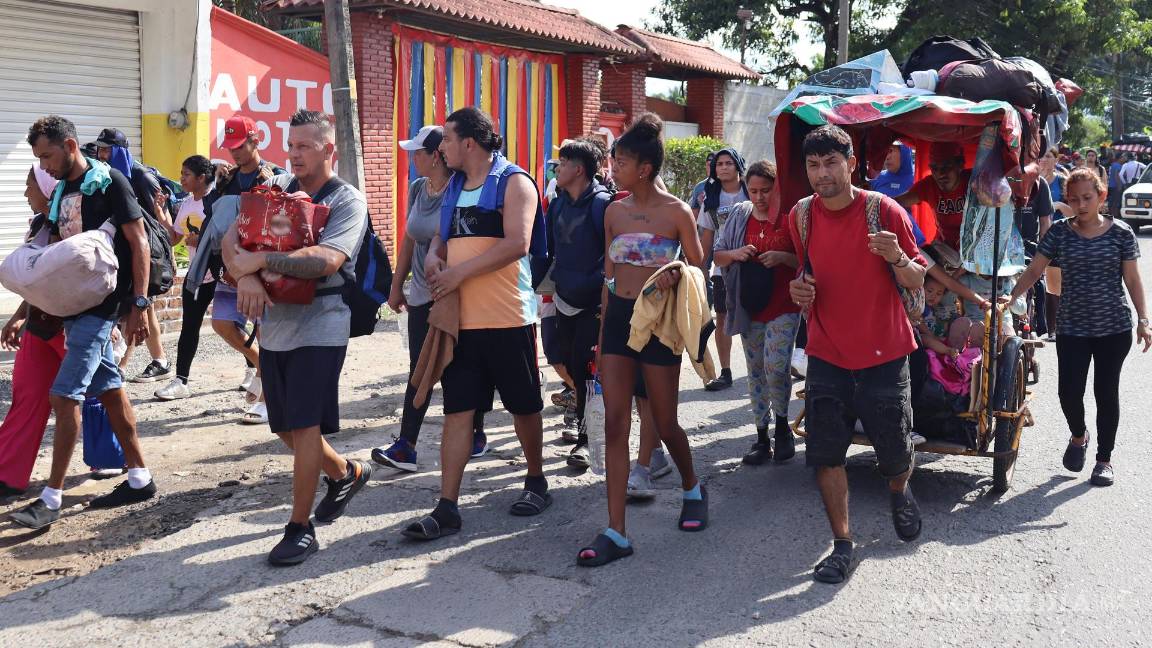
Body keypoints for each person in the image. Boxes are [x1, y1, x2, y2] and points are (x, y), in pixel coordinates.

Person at [223, 110, 373, 565]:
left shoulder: (348, 201)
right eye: (290, 146)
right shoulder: (279, 188)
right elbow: (231, 243)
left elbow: (326, 260)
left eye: (303, 146)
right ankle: (346, 472)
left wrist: (258, 261)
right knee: (285, 428)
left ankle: (299, 527)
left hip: (322, 323)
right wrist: (247, 279)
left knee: (305, 426)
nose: (293, 154)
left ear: (328, 149)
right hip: (275, 326)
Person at [401, 107, 550, 540]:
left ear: (469, 142)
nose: (440, 146)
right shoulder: (452, 189)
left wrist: (458, 273)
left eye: (446, 138)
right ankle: (447, 505)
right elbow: (440, 242)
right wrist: (434, 259)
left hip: (508, 318)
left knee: (524, 405)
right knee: (457, 411)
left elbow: (517, 243)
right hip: (461, 322)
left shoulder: (515, 182)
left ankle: (536, 480)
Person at [788, 125, 927, 584]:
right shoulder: (801, 216)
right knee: (827, 455)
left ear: (851, 163)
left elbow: (917, 281)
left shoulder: (883, 210)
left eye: (831, 163)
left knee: (893, 453)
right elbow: (807, 274)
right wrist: (799, 290)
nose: (822, 173)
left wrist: (897, 258)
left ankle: (899, 490)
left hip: (885, 353)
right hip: (826, 352)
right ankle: (842, 544)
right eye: (813, 165)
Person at [9, 116, 157, 530]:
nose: (46, 165)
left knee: (64, 395)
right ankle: (140, 476)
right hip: (72, 306)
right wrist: (25, 310)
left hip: (102, 307)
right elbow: (52, 257)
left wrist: (139, 304)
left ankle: (51, 498)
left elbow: (138, 240)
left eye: (48, 155)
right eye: (40, 158)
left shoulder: (109, 182)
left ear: (70, 145)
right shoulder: (61, 193)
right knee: (109, 390)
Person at [576, 113, 708, 567]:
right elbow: (608, 279)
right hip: (617, 324)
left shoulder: (677, 212)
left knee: (666, 423)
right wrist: (599, 336)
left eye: (622, 160)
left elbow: (698, 268)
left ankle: (692, 487)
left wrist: (677, 272)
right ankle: (616, 531)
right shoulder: (613, 210)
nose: (613, 166)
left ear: (645, 168)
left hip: (657, 324)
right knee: (615, 422)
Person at [1003, 168, 1150, 488]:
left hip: (1113, 328)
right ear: (1067, 201)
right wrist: (1010, 297)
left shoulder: (1122, 233)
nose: (1082, 204)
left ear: (1101, 196)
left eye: (1087, 197)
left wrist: (1143, 319)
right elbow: (1034, 271)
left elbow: (1133, 280)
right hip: (1072, 327)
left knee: (1105, 392)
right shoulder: (1058, 232)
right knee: (1068, 392)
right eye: (1074, 199)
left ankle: (1104, 460)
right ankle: (1079, 435)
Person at [371, 125, 487, 473]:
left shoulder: (462, 188)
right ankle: (406, 445)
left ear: (437, 156)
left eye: (418, 152)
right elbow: (409, 239)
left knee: (463, 365)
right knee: (419, 369)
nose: (412, 158)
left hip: (456, 292)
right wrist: (396, 285)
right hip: (422, 292)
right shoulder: (419, 188)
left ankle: (476, 432)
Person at [155, 116, 284, 421]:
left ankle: (268, 397)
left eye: (239, 146)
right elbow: (214, 216)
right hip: (227, 267)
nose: (234, 152)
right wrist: (219, 185)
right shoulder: (229, 178)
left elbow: (279, 222)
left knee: (266, 331)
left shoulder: (274, 176)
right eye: (230, 147)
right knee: (222, 324)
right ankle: (260, 368)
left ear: (255, 140)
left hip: (260, 267)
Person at [713, 160, 800, 465]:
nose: (760, 197)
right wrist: (737, 254)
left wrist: (783, 257)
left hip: (785, 306)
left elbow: (807, 262)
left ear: (777, 189)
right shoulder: (740, 215)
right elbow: (719, 255)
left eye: (766, 190)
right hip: (750, 306)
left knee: (776, 366)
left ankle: (782, 427)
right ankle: (762, 437)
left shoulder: (791, 217)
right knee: (755, 372)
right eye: (754, 190)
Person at [542, 137, 613, 469]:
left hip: (593, 303)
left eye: (563, 163)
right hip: (562, 298)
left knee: (585, 370)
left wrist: (602, 293)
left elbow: (611, 256)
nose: (557, 168)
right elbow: (548, 251)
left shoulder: (602, 205)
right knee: (562, 360)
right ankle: (592, 414)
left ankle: (586, 440)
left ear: (579, 169)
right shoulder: (557, 204)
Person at [0, 168, 65, 496]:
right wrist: (17, 317)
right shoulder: (40, 225)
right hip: (40, 324)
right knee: (27, 395)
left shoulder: (71, 221)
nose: (26, 193)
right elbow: (35, 280)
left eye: (29, 186)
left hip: (71, 325)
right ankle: (7, 475)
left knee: (99, 396)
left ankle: (118, 461)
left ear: (47, 188)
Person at [93, 127, 172, 384]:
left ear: (119, 151)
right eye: (100, 149)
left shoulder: (141, 177)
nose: (102, 155)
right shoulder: (105, 176)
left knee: (137, 307)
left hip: (144, 252)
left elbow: (157, 221)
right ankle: (159, 360)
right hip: (123, 251)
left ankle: (122, 365)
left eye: (107, 150)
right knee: (143, 308)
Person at [697, 147, 750, 391]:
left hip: (754, 264)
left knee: (755, 316)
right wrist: (701, 268)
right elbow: (707, 236)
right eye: (719, 164)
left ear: (738, 166)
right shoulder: (711, 197)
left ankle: (758, 368)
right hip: (723, 268)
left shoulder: (752, 191)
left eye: (729, 163)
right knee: (723, 317)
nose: (724, 167)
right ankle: (725, 371)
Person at [896, 141, 971, 250]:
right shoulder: (929, 185)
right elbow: (898, 202)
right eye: (935, 168)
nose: (940, 174)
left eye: (947, 167)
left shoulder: (974, 181)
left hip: (974, 249)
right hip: (945, 249)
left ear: (960, 165)